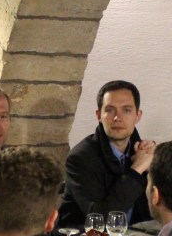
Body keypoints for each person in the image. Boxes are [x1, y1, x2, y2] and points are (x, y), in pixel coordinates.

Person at [58, 80, 155, 228]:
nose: (117, 118)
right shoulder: (80, 158)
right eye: (109, 110)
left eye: (126, 110)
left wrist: (156, 164)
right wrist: (136, 170)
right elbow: (99, 219)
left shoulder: (144, 153)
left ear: (138, 116)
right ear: (99, 115)